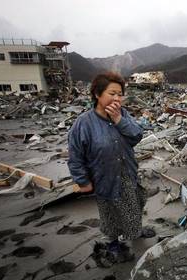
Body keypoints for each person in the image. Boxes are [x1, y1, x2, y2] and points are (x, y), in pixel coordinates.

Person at [67, 72, 144, 261]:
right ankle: (112, 243)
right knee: (110, 214)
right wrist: (82, 180)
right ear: (97, 94)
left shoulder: (123, 115)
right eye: (112, 93)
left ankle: (134, 231)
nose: (117, 98)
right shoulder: (84, 123)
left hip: (128, 173)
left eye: (120, 94)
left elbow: (136, 136)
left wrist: (118, 119)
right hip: (105, 178)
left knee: (134, 205)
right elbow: (75, 155)